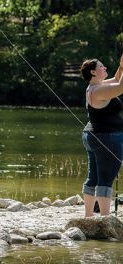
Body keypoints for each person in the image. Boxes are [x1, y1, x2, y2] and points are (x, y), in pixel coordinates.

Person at [80, 54, 123, 217]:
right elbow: (120, 86)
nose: (105, 68)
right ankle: (105, 219)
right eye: (101, 67)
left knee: (94, 177)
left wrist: (121, 66)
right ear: (92, 72)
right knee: (106, 178)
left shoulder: (95, 86)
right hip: (107, 138)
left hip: (93, 136)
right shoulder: (99, 91)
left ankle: (89, 216)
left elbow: (117, 79)